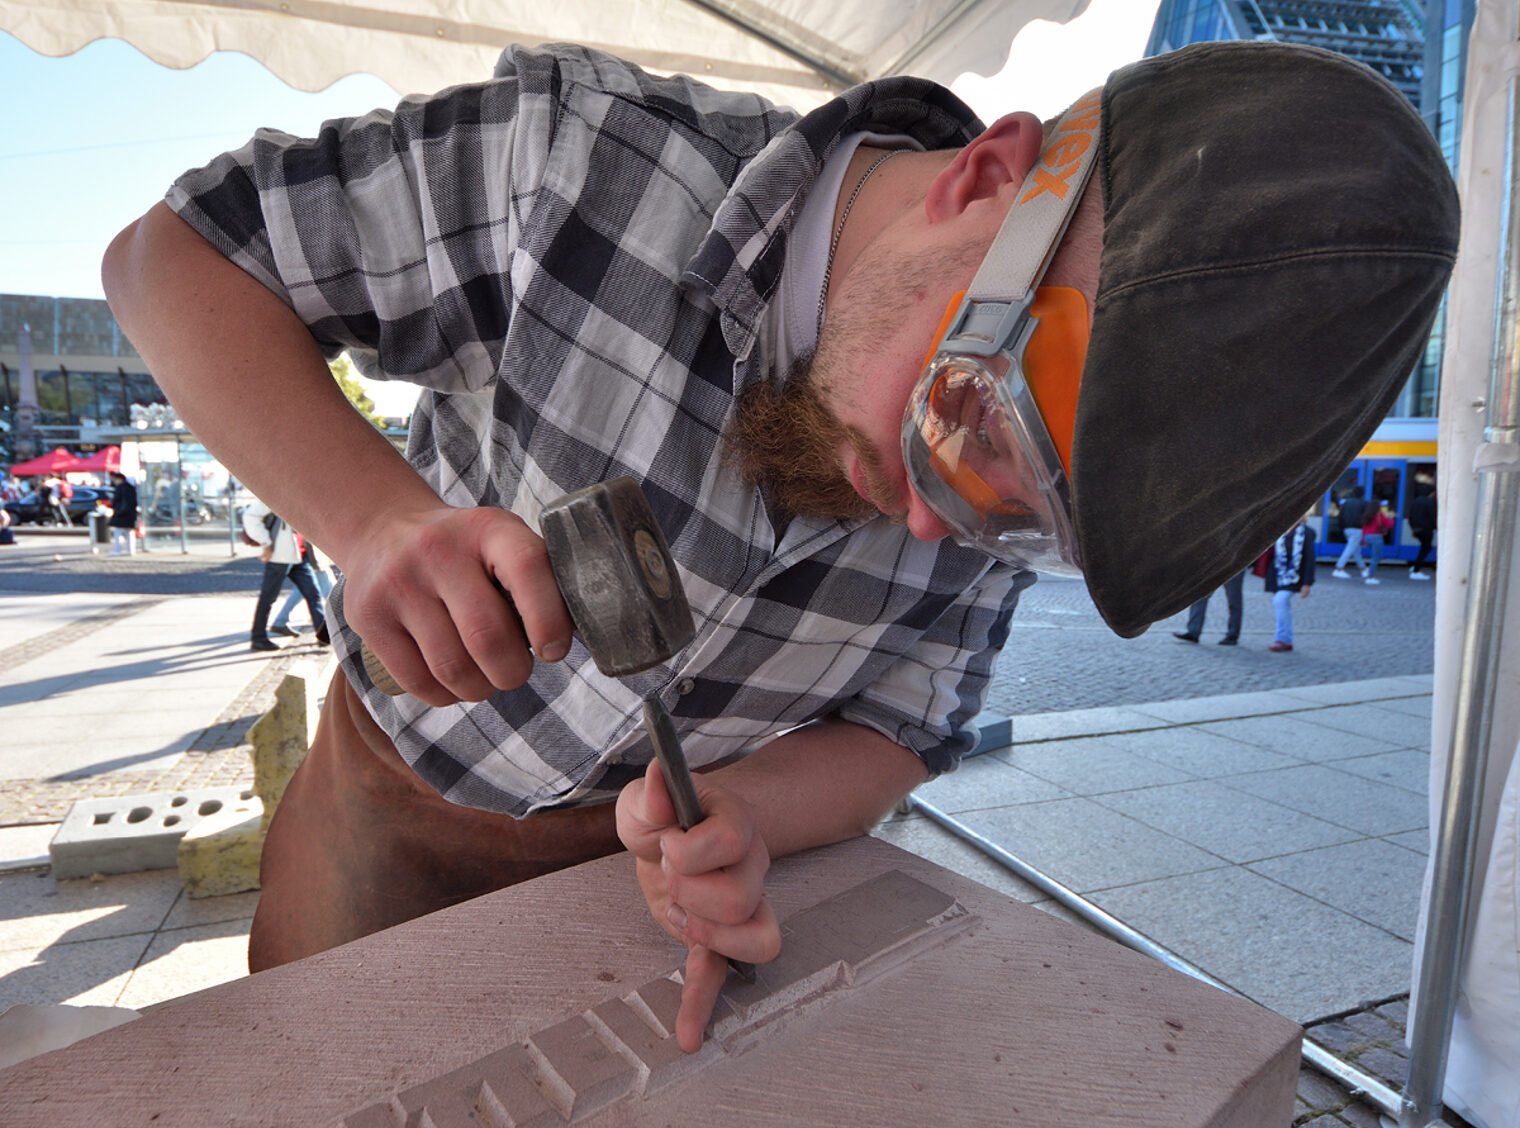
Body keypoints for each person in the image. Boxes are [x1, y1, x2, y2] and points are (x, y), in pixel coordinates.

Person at [100, 40, 1458, 1050]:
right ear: (988, 176)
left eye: (1024, 523)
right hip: (389, 797)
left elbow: (904, 731)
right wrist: (369, 512)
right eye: (972, 406)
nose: (939, 515)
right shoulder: (581, 167)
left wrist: (751, 815)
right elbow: (174, 260)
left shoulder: (966, 499)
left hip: (629, 887)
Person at [242, 500, 327, 651]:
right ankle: (258, 638)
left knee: (313, 594)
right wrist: (265, 542)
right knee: (268, 598)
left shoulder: (298, 495)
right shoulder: (275, 493)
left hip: (299, 556)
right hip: (279, 557)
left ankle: (323, 638)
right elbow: (250, 515)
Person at [1264, 518, 1316, 652]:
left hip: (1295, 576)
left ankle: (1282, 639)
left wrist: (1307, 583)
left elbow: (1310, 558)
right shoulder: (1278, 529)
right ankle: (1287, 640)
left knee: (1279, 601)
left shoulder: (1306, 532)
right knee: (1281, 604)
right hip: (1278, 575)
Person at [270, 542, 334, 636]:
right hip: (312, 553)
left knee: (302, 590)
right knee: (329, 589)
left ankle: (280, 622)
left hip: (309, 552)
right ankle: (343, 621)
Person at [1173, 567, 1246, 646]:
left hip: (1234, 567)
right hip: (1214, 567)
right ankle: (1193, 632)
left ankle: (1232, 635)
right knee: (1199, 597)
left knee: (1234, 601)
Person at [1332, 485, 1368, 578]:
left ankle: (1363, 568)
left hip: (1346, 528)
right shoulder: (1364, 503)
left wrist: (1342, 527)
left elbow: (1340, 515)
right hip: (1357, 528)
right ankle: (1339, 568)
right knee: (1351, 548)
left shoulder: (1346, 502)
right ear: (1362, 494)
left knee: (1355, 549)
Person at [1361, 499, 1394, 584]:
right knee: (1376, 558)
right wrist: (1391, 518)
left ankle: (1368, 571)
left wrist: (1363, 541)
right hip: (1376, 537)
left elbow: (1364, 529)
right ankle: (1370, 577)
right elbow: (1388, 525)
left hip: (1367, 537)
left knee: (1374, 557)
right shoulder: (1380, 515)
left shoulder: (1366, 515)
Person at [107, 471, 139, 556]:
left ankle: (117, 550)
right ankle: (131, 550)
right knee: (130, 533)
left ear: (119, 479)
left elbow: (117, 501)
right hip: (131, 514)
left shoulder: (120, 488)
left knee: (118, 533)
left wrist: (116, 510)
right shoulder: (131, 488)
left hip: (121, 514)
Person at [1409, 488, 1437, 579]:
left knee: (1424, 547)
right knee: (1426, 548)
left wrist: (1413, 528)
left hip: (1417, 528)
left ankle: (1416, 566)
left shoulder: (1416, 501)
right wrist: (1437, 527)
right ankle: (1416, 570)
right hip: (1426, 528)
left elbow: (1411, 515)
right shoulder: (1430, 502)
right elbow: (1433, 515)